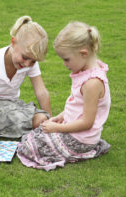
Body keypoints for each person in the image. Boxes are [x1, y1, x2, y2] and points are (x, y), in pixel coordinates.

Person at [17, 21, 111, 171]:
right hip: (73, 131)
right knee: (37, 133)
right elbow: (78, 104)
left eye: (66, 59)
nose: (63, 64)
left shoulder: (92, 83)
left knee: (31, 146)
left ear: (83, 53)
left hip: (80, 139)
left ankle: (83, 150)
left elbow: (87, 122)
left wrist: (58, 128)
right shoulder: (84, 72)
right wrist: (61, 116)